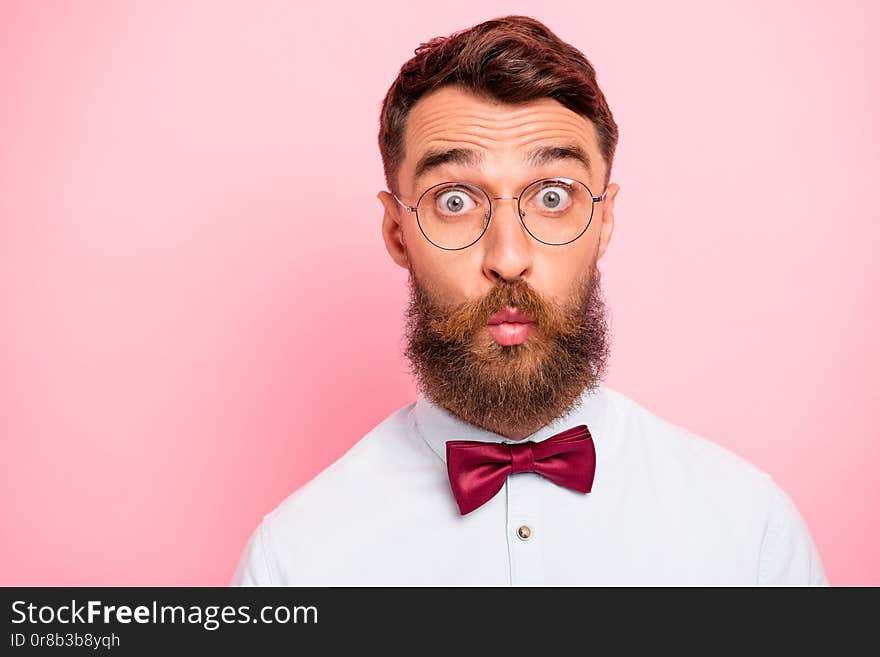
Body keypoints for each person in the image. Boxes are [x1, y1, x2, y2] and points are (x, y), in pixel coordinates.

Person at [231, 15, 827, 586]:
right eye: (455, 200)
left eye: (551, 195)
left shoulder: (751, 534)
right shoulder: (294, 561)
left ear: (604, 222)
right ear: (397, 234)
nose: (508, 257)